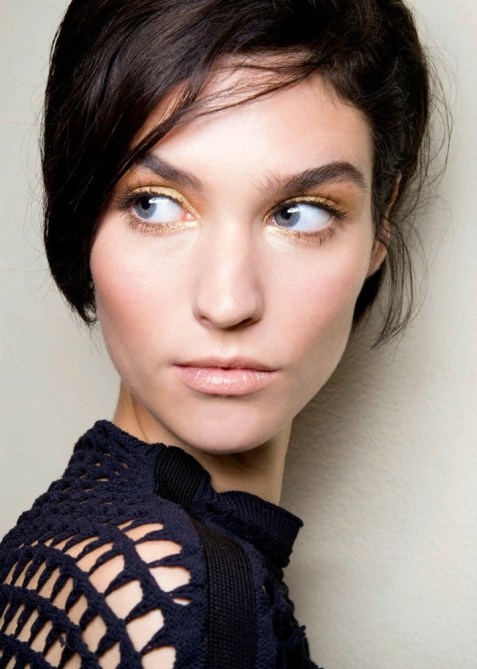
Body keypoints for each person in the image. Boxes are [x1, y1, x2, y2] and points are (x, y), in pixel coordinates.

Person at [0, 0, 438, 667]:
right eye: (154, 204)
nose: (228, 302)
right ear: (80, 214)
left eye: (299, 213)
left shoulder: (59, 545)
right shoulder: (177, 603)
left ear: (381, 225)